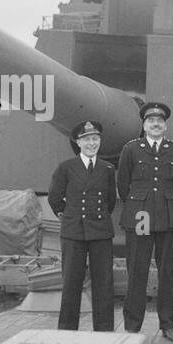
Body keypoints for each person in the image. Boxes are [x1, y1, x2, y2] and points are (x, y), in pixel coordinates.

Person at [117, 102, 173, 341]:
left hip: (168, 217)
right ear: (144, 125)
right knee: (137, 269)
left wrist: (170, 207)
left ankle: (166, 324)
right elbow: (123, 185)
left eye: (159, 121)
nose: (155, 124)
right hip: (141, 216)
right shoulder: (131, 149)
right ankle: (132, 325)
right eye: (151, 121)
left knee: (166, 271)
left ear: (165, 125)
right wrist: (140, 205)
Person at [47, 120, 116, 332]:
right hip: (73, 232)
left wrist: (97, 218)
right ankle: (67, 330)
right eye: (87, 140)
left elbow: (110, 201)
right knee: (71, 283)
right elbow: (55, 198)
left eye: (95, 139)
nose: (91, 143)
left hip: (100, 232)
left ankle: (104, 329)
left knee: (103, 283)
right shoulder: (66, 168)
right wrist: (69, 215)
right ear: (78, 143)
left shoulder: (107, 168)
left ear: (100, 141)